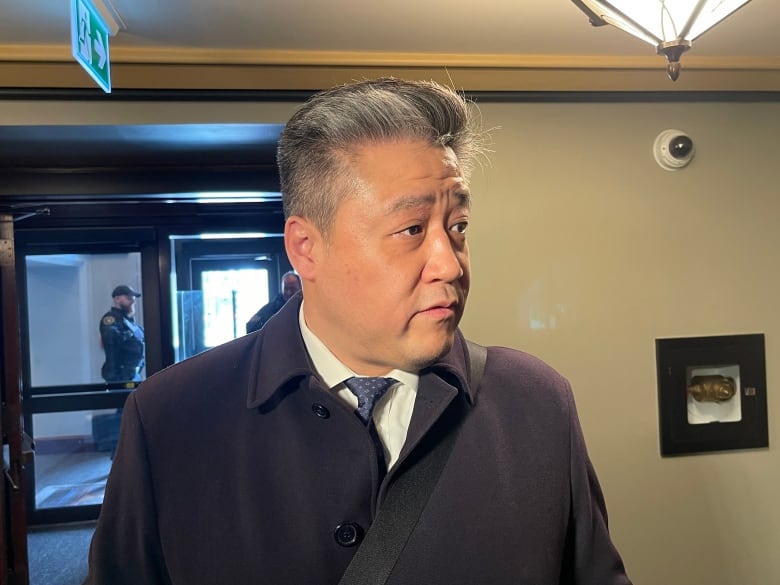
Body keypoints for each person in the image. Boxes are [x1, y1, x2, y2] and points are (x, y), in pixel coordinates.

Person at [84, 78, 632, 584]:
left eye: (457, 226)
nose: (450, 263)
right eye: (412, 229)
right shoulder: (170, 416)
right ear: (306, 247)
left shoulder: (537, 403)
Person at [98, 284, 145, 383]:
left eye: (133, 299)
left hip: (133, 373)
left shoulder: (129, 322)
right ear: (117, 299)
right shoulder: (111, 319)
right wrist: (130, 334)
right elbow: (110, 337)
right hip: (119, 374)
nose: (133, 302)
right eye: (129, 298)